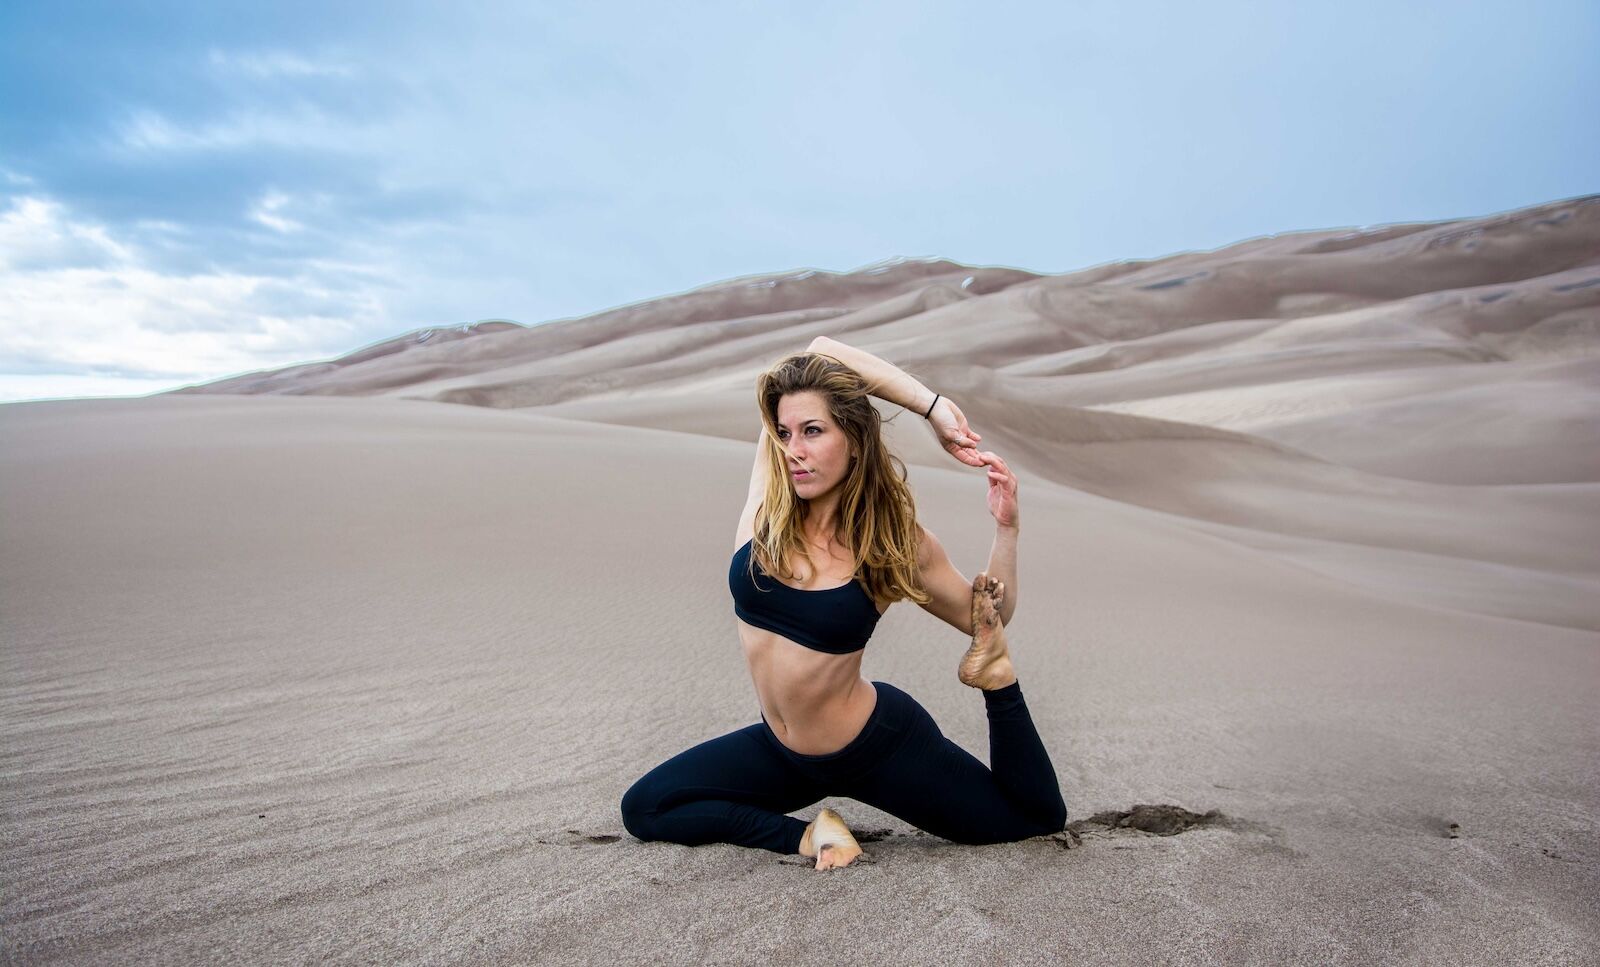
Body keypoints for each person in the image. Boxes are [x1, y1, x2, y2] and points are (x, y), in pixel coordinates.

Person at [620, 336, 1068, 869]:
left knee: (1032, 820)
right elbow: (816, 350)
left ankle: (998, 681)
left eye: (813, 431)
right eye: (785, 433)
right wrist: (928, 405)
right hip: (781, 750)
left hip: (876, 749)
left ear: (854, 438)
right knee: (646, 808)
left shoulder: (892, 545)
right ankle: (812, 836)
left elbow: (990, 617)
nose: (794, 449)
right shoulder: (768, 502)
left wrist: (1006, 528)